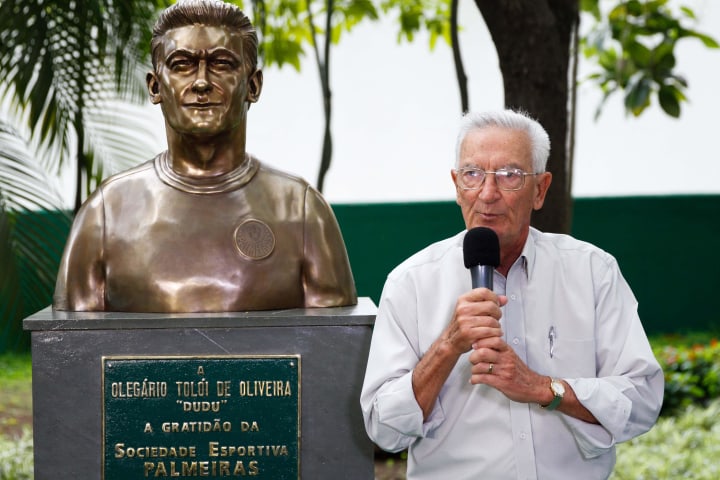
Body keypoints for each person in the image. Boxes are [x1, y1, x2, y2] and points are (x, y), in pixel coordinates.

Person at [360, 109, 663, 479]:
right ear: (457, 185)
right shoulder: (412, 283)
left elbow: (643, 400)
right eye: (473, 174)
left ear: (540, 189)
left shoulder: (591, 271)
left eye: (510, 175)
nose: (488, 194)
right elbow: (383, 429)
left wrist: (543, 388)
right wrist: (448, 346)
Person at [53, 0, 356, 312]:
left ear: (253, 85)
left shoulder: (301, 211)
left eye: (222, 64)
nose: (201, 82)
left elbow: (333, 346)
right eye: (181, 65)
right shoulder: (105, 213)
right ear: (155, 86)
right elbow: (70, 347)